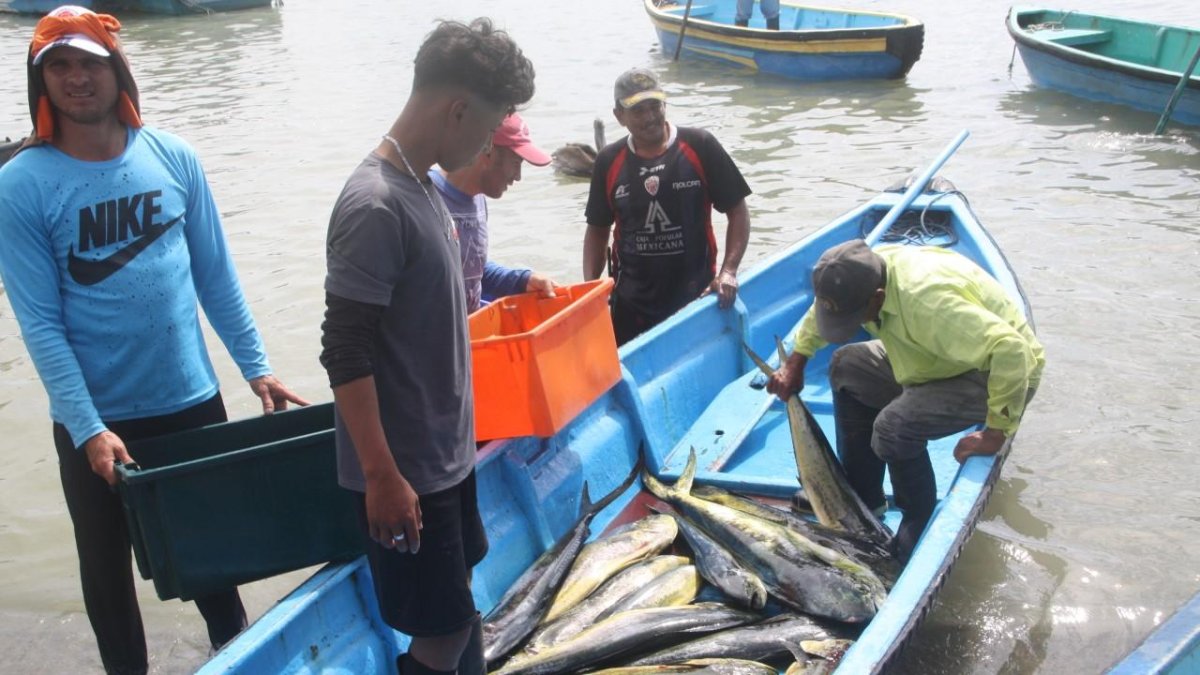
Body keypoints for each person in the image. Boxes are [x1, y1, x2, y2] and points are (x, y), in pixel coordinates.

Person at [0, 6, 308, 674]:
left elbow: (216, 276)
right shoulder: (19, 186)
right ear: (40, 81)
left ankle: (236, 656)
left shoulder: (173, 157)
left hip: (189, 399)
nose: (77, 78)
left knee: (215, 557)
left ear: (118, 69)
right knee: (106, 571)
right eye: (60, 66)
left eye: (90, 62)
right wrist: (88, 429)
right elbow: (41, 324)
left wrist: (256, 367)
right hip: (96, 421)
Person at [318, 18, 535, 675]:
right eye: (489, 128)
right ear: (459, 110)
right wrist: (382, 476)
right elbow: (345, 351)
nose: (485, 145)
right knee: (439, 635)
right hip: (405, 470)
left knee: (460, 613)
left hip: (445, 462)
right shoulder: (375, 205)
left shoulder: (422, 189)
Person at [767, 239, 1045, 562]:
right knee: (847, 366)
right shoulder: (863, 274)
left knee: (892, 428)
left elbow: (1011, 351)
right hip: (932, 356)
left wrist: (995, 432)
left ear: (878, 297)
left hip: (996, 374)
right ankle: (863, 498)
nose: (851, 325)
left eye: (856, 318)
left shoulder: (929, 303)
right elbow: (826, 310)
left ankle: (917, 525)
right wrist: (797, 360)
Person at [583, 68, 752, 345]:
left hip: (695, 299)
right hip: (631, 306)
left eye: (655, 106)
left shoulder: (700, 145)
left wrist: (728, 271)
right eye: (638, 111)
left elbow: (738, 211)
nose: (650, 117)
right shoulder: (608, 160)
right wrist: (590, 289)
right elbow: (597, 230)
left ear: (665, 104)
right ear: (619, 116)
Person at [430, 112, 556, 313]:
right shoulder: (426, 198)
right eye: (516, 163)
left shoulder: (478, 199)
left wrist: (521, 279)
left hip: (468, 328)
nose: (518, 177)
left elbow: (471, 270)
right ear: (488, 151)